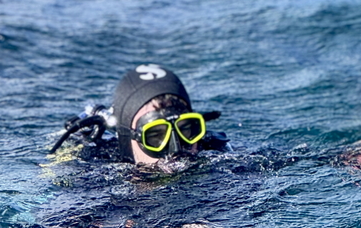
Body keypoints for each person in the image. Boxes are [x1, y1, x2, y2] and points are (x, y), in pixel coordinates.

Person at [49, 64, 229, 165]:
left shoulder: (221, 155)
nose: (176, 148)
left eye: (187, 130)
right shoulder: (93, 173)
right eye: (156, 136)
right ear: (128, 140)